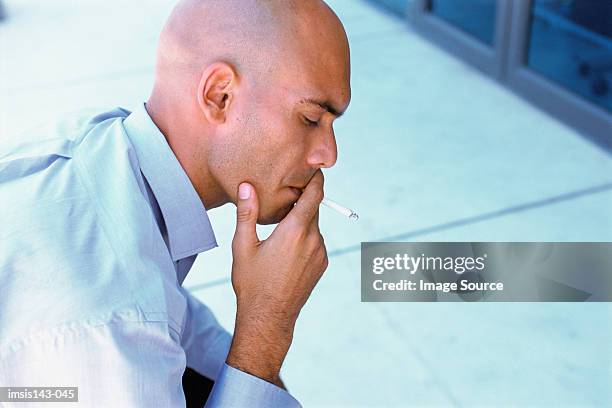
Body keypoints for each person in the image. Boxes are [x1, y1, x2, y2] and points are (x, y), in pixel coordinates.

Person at [0, 0, 350, 406]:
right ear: (219, 95)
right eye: (310, 119)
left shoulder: (96, 144)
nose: (328, 154)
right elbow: (130, 321)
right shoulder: (107, 329)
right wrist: (266, 328)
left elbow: (181, 327)